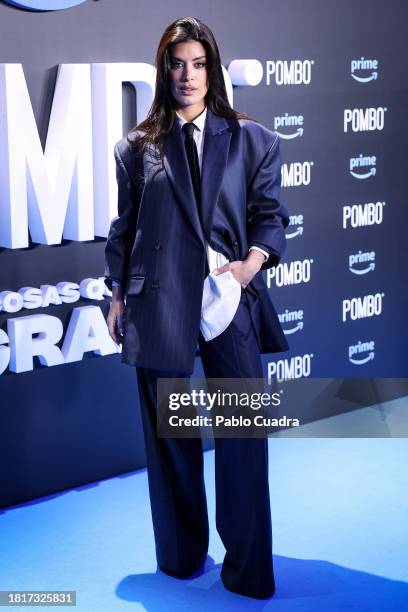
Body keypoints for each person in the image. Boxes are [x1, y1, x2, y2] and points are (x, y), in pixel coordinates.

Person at [104, 16, 290, 600]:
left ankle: (247, 567)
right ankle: (182, 556)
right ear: (164, 70)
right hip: (159, 302)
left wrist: (249, 266)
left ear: (214, 67)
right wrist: (116, 293)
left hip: (228, 303)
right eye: (177, 64)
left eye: (199, 63)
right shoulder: (137, 147)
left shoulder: (252, 138)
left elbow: (269, 214)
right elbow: (125, 227)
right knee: (172, 441)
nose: (188, 75)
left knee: (242, 438)